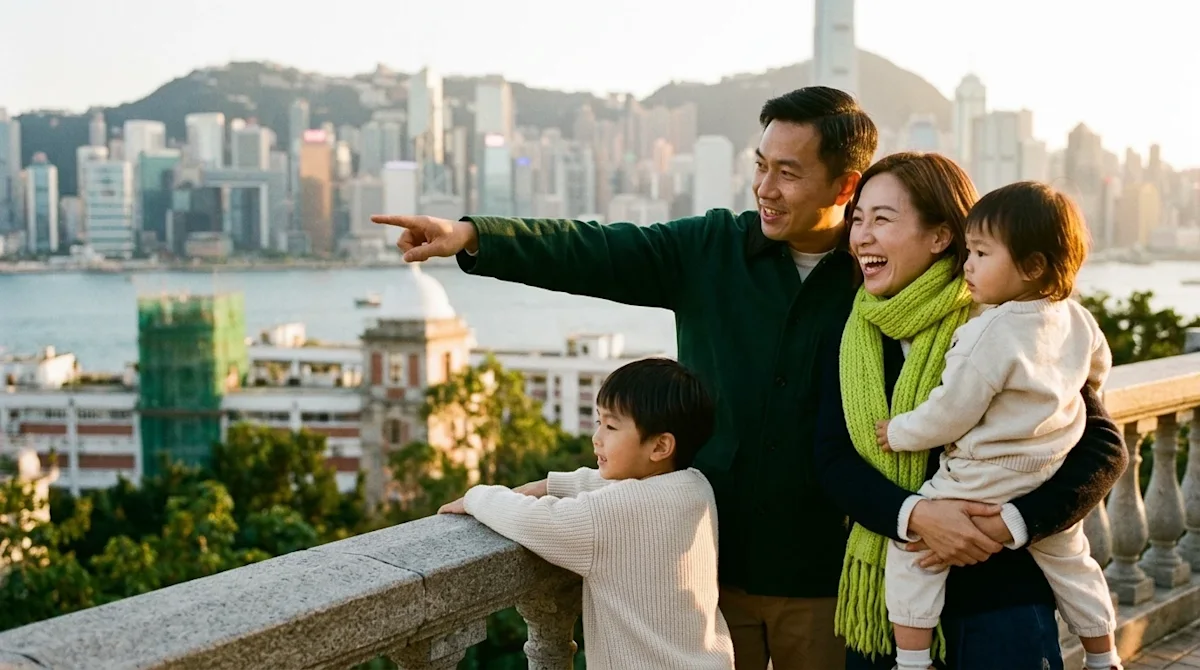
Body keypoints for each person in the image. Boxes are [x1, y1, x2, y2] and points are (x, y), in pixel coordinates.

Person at [374, 88, 1126, 670]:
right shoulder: (712, 250)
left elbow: (1078, 416)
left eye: (788, 172)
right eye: (759, 166)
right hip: (709, 573)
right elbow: (598, 249)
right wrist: (472, 237)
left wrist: (1002, 519)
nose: (765, 187)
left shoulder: (901, 285)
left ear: (845, 183)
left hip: (834, 582)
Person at [815, 153, 1128, 670]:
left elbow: (1102, 448)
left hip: (1002, 599)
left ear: (941, 236)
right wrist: (915, 515)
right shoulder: (851, 333)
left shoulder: (1011, 317)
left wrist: (1014, 523)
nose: (861, 235)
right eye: (858, 218)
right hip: (893, 607)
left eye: (883, 219)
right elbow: (832, 457)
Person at [438, 357, 735, 670]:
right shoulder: (696, 486)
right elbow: (617, 487)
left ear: (660, 447)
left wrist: (478, 496)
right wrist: (552, 483)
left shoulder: (609, 516)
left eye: (611, 426)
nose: (597, 437)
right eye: (598, 422)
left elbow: (533, 520)